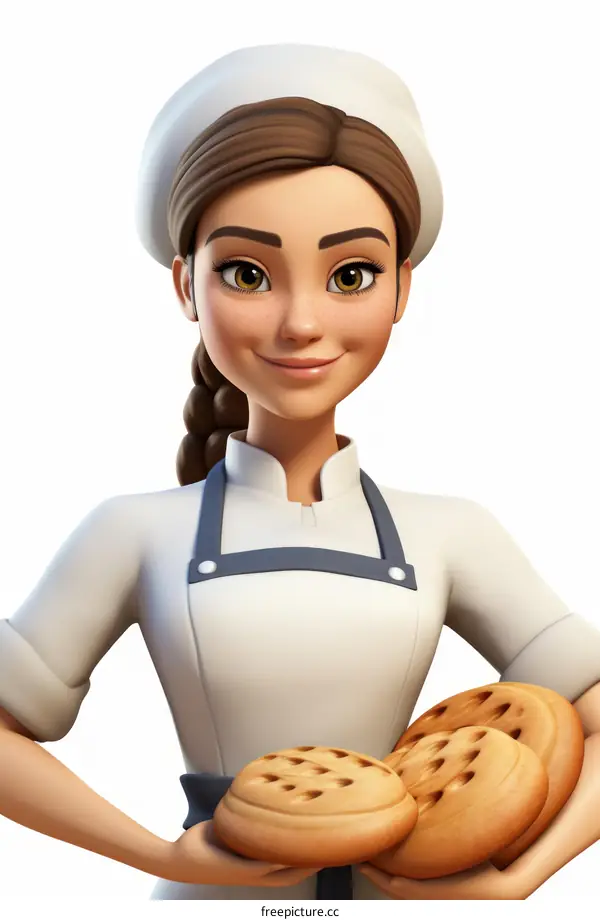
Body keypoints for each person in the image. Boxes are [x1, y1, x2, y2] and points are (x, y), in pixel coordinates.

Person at [0, 43, 599, 901]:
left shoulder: (450, 532)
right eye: (248, 273)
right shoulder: (136, 532)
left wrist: (522, 877)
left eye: (350, 273)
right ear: (185, 286)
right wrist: (160, 857)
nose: (302, 321)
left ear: (401, 291)